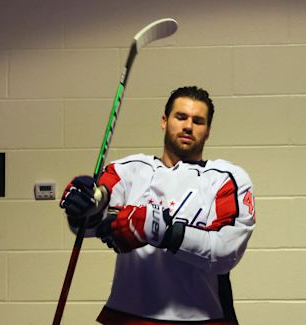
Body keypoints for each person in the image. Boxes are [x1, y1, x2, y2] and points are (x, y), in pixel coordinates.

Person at [60, 86, 256, 325]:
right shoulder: (128, 170)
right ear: (164, 121)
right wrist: (83, 208)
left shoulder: (226, 178)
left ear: (208, 131)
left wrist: (162, 231)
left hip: (200, 318)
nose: (188, 126)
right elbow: (91, 225)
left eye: (198, 121)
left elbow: (226, 252)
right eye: (180, 117)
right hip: (127, 315)